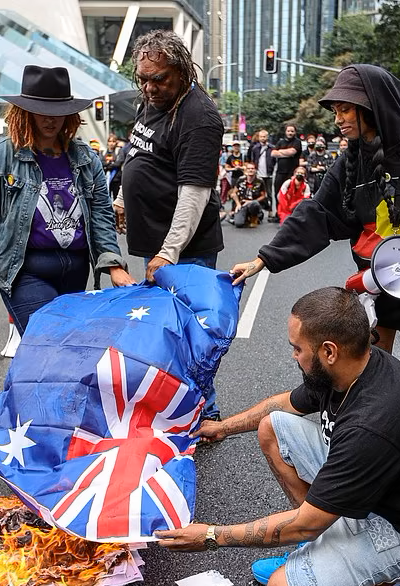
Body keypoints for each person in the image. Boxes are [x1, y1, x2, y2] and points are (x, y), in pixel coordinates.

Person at [155, 287, 400, 586]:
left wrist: (210, 536)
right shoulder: (350, 369)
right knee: (272, 428)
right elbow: (280, 405)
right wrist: (223, 427)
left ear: (329, 351)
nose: (293, 355)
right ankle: (324, 546)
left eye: (297, 348)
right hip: (381, 492)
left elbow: (305, 522)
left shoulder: (373, 423)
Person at [230, 64, 400, 393]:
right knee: (375, 371)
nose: (337, 119)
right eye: (335, 111)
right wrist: (264, 259)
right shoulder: (349, 162)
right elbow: (317, 212)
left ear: (372, 109)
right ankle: (381, 439)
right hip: (374, 285)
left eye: (345, 110)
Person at [0, 65, 135, 337]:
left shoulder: (85, 158)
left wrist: (113, 265)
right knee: (48, 343)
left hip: (75, 269)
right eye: (41, 111)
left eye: (57, 113)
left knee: (69, 347)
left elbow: (101, 214)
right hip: (27, 271)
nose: (50, 120)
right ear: (24, 112)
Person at [113, 29, 224, 420]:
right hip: (156, 243)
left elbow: (195, 194)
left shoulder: (199, 116)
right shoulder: (153, 101)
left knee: (191, 335)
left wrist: (168, 252)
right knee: (162, 330)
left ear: (183, 71)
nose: (149, 87)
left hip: (185, 250)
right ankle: (174, 405)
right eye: (143, 78)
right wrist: (123, 199)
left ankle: (203, 412)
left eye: (158, 79)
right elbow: (137, 152)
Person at [270, 125, 303, 222]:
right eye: (288, 131)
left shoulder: (297, 142)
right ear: (285, 132)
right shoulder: (280, 142)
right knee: (278, 193)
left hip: (292, 173)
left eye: (292, 131)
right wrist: (286, 153)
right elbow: (273, 153)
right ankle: (278, 214)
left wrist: (280, 152)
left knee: (291, 194)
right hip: (280, 172)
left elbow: (292, 152)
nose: (290, 133)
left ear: (295, 132)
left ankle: (291, 215)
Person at [229, 161, 267, 228]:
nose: (250, 170)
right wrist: (238, 204)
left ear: (255, 170)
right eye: (249, 168)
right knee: (239, 224)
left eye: (252, 168)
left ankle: (255, 217)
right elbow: (233, 193)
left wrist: (252, 201)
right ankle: (242, 217)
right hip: (242, 204)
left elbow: (263, 195)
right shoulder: (240, 180)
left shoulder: (260, 181)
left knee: (254, 204)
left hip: (253, 203)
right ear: (245, 170)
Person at [249, 129, 275, 218]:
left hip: (268, 174)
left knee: (269, 193)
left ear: (267, 137)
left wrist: (271, 168)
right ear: (258, 137)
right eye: (261, 136)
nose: (263, 138)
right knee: (258, 193)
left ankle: (270, 210)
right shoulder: (255, 148)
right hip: (259, 174)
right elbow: (253, 160)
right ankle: (259, 211)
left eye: (264, 136)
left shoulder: (271, 148)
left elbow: (274, 160)